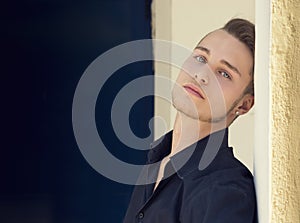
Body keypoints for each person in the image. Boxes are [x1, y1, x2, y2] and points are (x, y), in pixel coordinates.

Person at [123, 18, 257, 223]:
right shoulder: (157, 161)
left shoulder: (227, 191)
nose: (201, 75)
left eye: (224, 73)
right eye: (201, 58)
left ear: (244, 105)